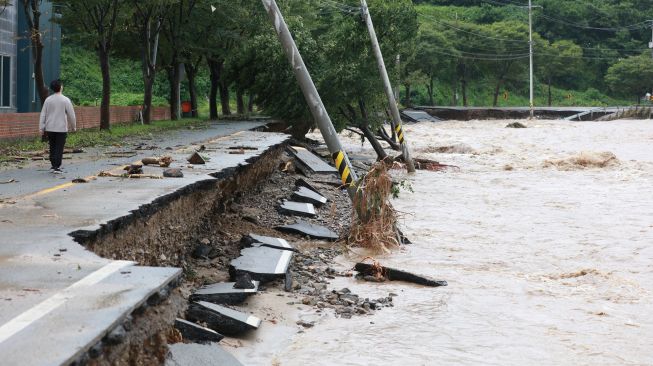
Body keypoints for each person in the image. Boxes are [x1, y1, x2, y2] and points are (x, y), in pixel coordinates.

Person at [39, 79, 77, 174]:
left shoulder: (48, 100)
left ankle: (53, 165)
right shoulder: (65, 100)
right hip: (61, 128)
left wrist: (41, 127)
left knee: (52, 146)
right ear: (60, 87)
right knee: (59, 147)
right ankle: (57, 166)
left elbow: (43, 114)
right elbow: (71, 115)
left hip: (50, 128)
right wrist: (74, 126)